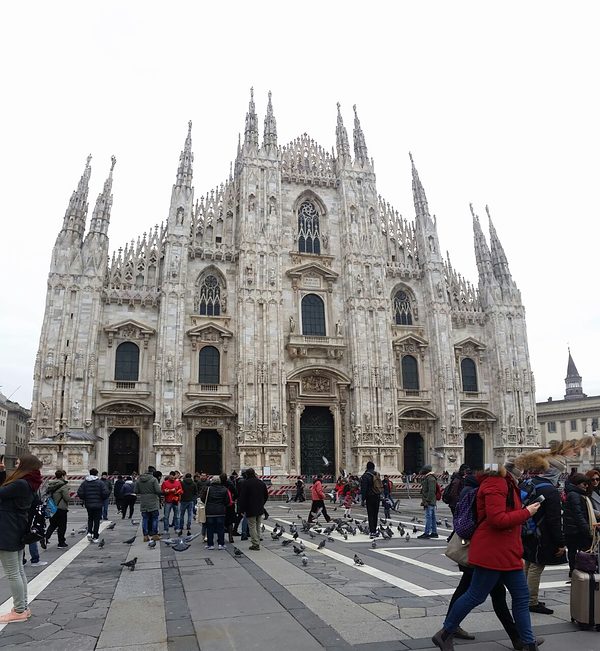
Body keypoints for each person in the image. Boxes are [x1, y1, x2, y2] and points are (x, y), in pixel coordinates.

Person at [432, 463, 542, 651]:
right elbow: (497, 519)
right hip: (493, 551)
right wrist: (527, 512)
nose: (522, 474)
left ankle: (528, 643)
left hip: (508, 551)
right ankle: (444, 633)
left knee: (521, 596)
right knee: (475, 595)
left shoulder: (507, 484)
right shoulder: (495, 484)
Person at [517, 453, 566, 615]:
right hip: (541, 534)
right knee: (536, 567)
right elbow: (554, 520)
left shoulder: (528, 483)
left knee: (529, 563)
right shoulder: (550, 490)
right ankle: (531, 601)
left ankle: (522, 597)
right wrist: (560, 542)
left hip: (526, 530)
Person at [0, 453, 44, 622]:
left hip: (7, 529)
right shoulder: (29, 483)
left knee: (13, 573)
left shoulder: (20, 484)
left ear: (25, 465)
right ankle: (22, 607)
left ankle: (19, 611)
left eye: (18, 463)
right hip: (15, 528)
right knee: (18, 570)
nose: (16, 464)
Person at [563, 473, 597, 575]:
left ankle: (575, 572)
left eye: (587, 484)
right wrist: (588, 530)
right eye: (584, 484)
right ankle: (576, 572)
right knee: (579, 552)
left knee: (574, 552)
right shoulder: (575, 495)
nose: (586, 486)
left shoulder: (577, 494)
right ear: (577, 484)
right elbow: (578, 515)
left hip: (573, 530)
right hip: (576, 531)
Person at [237, 468, 269, 551]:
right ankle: (257, 541)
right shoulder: (261, 483)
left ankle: (255, 544)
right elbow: (266, 495)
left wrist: (241, 509)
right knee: (258, 525)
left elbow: (242, 498)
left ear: (247, 474)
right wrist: (262, 503)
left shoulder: (246, 483)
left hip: (250, 508)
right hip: (259, 508)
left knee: (252, 526)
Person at [77, 468, 109, 543]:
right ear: (97, 474)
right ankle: (95, 536)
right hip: (98, 504)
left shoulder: (85, 483)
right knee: (97, 520)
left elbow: (80, 492)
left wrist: (85, 498)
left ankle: (89, 532)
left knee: (90, 518)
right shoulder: (100, 483)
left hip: (89, 504)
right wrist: (102, 498)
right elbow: (106, 493)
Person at [200, 476, 229, 550]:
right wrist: (222, 505)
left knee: (210, 528)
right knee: (221, 528)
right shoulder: (224, 489)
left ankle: (210, 544)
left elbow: (203, 498)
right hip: (220, 511)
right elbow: (227, 501)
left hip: (210, 511)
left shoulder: (208, 489)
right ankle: (221, 544)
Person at [135, 466, 163, 542]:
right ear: (153, 472)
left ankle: (145, 536)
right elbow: (158, 491)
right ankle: (154, 535)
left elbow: (136, 491)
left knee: (145, 519)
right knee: (154, 518)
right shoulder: (154, 479)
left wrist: (143, 492)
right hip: (153, 501)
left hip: (144, 501)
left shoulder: (139, 479)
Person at [45, 469, 70, 548]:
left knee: (53, 524)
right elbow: (67, 498)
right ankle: (61, 542)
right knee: (62, 526)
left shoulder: (51, 484)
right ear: (63, 476)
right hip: (61, 508)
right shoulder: (63, 486)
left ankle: (45, 537)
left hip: (52, 508)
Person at [361, 462, 382, 537]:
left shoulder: (365, 476)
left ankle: (372, 531)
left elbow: (364, 489)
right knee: (375, 514)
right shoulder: (377, 474)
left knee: (370, 514)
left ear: (367, 467)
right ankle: (375, 529)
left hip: (369, 497)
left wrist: (363, 499)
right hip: (377, 496)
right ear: (373, 467)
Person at [419, 464, 439, 539]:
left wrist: (427, 500)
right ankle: (434, 532)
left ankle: (427, 532)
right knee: (432, 517)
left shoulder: (430, 478)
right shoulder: (428, 478)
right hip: (430, 500)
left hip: (429, 501)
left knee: (428, 517)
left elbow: (431, 491)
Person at [220, 472, 237, 543]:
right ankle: (230, 537)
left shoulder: (219, 484)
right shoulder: (230, 484)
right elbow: (236, 493)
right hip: (230, 505)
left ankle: (221, 538)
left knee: (221, 521)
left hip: (221, 505)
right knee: (230, 522)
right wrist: (232, 500)